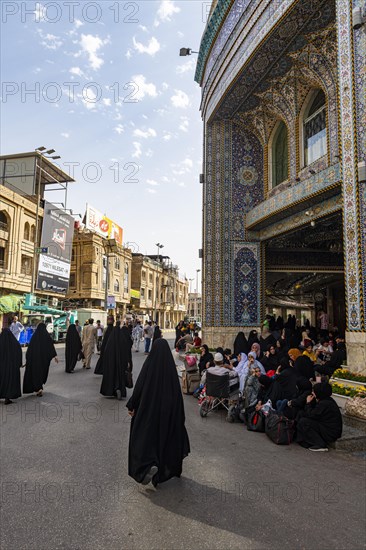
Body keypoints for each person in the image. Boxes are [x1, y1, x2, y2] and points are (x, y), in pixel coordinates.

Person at [126, 339, 190, 486]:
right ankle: (161, 470)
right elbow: (177, 396)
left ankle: (146, 466)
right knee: (165, 437)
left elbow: (140, 386)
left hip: (149, 409)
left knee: (143, 436)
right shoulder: (171, 371)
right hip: (168, 411)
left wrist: (132, 405)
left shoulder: (149, 366)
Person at [296, 382, 343, 451]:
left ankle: (320, 444)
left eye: (314, 391)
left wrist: (308, 403)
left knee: (304, 422)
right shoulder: (325, 400)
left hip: (331, 432)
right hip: (327, 428)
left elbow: (311, 414)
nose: (312, 393)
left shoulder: (325, 403)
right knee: (301, 415)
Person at [23, 322, 58, 396]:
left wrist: (28, 360)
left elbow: (29, 350)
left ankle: (38, 388)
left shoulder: (34, 337)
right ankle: (39, 388)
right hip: (43, 361)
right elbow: (51, 347)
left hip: (35, 361)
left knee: (36, 374)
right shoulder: (47, 336)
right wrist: (55, 356)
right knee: (41, 373)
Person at [100, 322, 130, 400]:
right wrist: (127, 362)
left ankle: (112, 390)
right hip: (121, 364)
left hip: (111, 364)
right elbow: (126, 352)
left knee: (111, 376)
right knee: (120, 376)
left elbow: (106, 354)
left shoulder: (110, 342)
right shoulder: (122, 340)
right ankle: (119, 388)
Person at [0, 328, 22, 404]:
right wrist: (19, 363)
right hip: (12, 367)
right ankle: (7, 398)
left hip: (1, 367)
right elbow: (19, 352)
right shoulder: (15, 343)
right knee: (10, 381)